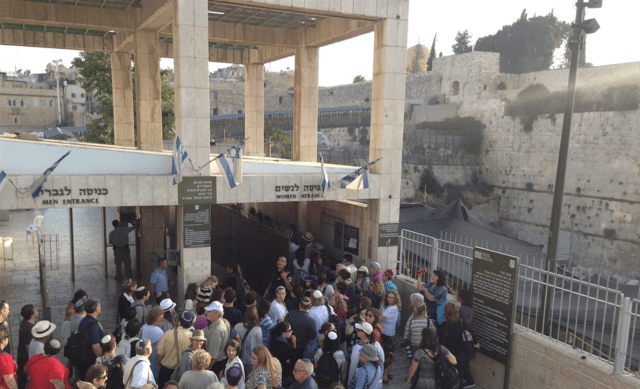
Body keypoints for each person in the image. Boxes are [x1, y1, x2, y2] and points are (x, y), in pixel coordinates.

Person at [438, 303, 479, 388]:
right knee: (459, 377)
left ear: (446, 312)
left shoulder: (444, 325)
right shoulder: (460, 322)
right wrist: (476, 342)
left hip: (448, 354)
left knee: (447, 376)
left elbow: (441, 341)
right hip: (460, 353)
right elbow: (472, 331)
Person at [157, 311, 194, 387]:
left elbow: (159, 354)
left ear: (179, 322)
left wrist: (160, 366)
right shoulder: (193, 337)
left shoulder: (168, 334)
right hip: (184, 373)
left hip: (166, 371)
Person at [379, 290, 401, 383]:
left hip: (387, 333)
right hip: (386, 331)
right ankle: (390, 372)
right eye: (388, 297)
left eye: (392, 298)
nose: (390, 299)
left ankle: (385, 376)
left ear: (395, 299)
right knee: (389, 353)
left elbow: (380, 318)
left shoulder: (392, 308)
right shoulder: (386, 305)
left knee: (387, 354)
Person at [204, 301, 231, 375]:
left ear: (216, 314)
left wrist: (206, 371)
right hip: (221, 363)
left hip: (215, 365)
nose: (206, 312)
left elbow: (213, 357)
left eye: (209, 311)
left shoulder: (215, 331)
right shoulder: (225, 322)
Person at [234, 308, 263, 374]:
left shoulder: (237, 326)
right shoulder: (257, 330)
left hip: (238, 358)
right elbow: (260, 346)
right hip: (251, 360)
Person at [140, 308, 165, 379]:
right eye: (160, 318)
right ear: (154, 319)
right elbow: (161, 350)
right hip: (155, 362)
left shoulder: (144, 327)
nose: (163, 320)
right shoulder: (159, 332)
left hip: (143, 359)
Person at [18, 304, 37, 388]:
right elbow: (27, 346)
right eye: (35, 309)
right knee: (23, 378)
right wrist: (32, 360)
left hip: (23, 355)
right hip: (25, 357)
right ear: (32, 315)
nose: (37, 309)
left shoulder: (26, 322)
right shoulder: (29, 328)